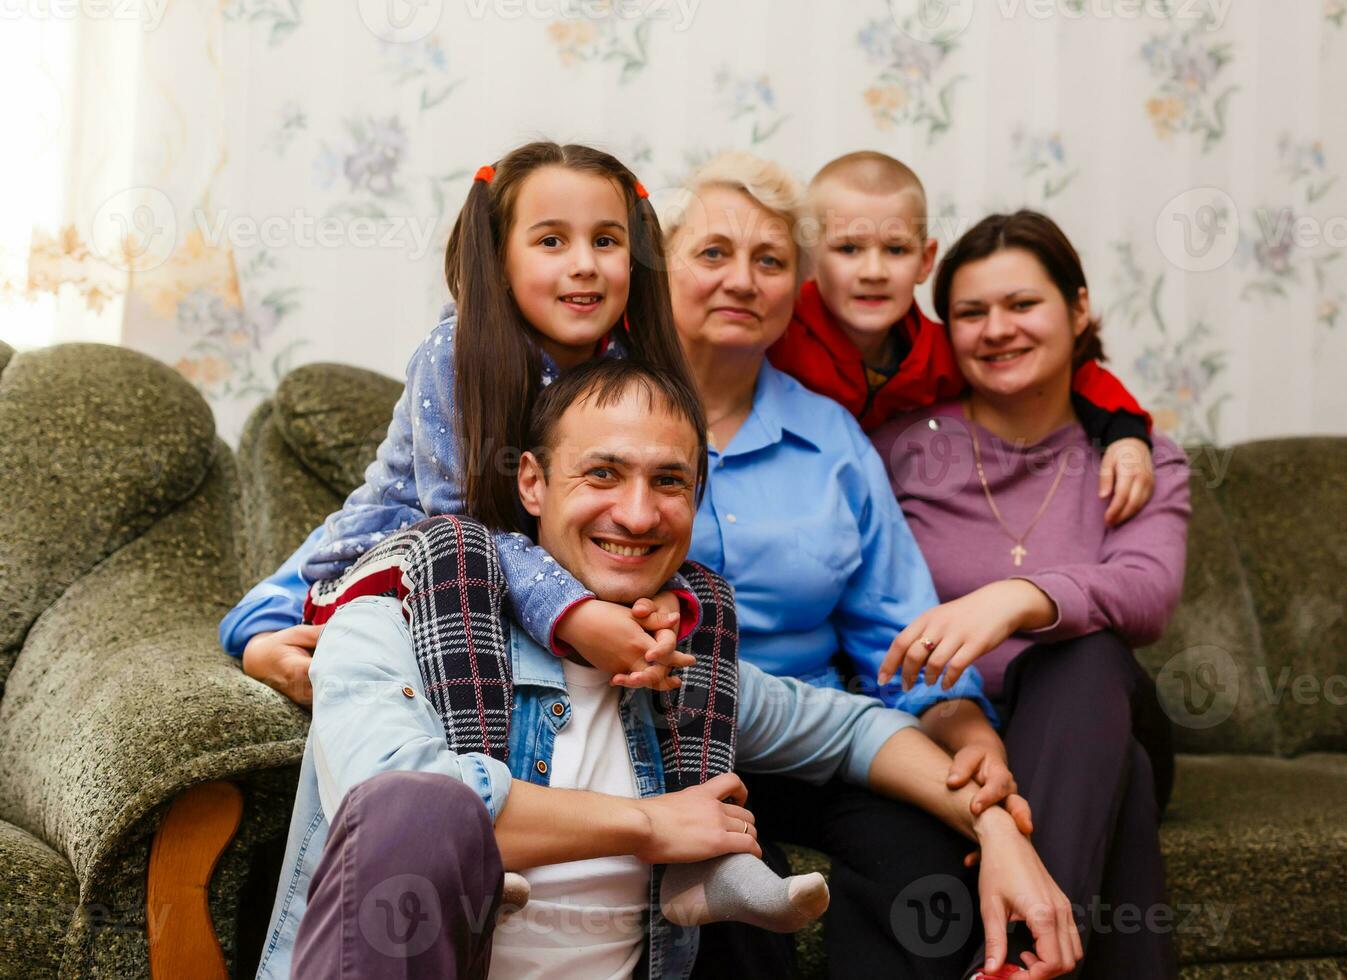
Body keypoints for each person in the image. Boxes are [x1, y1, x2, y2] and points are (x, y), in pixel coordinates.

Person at [263, 358, 1081, 980]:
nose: (638, 513)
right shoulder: (395, 619)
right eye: (603, 474)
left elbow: (854, 732)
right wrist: (654, 827)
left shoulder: (685, 669)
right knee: (418, 809)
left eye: (669, 483)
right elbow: (399, 797)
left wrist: (998, 829)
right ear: (533, 483)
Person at [222, 141, 812, 937]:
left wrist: (662, 602)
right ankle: (474, 846)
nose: (585, 266)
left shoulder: (625, 368)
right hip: (394, 565)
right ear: (496, 260)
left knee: (706, 590)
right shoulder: (455, 351)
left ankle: (703, 859)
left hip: (490, 575)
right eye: (551, 241)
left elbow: (630, 523)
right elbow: (457, 523)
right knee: (461, 551)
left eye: (607, 242)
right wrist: (573, 615)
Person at [657, 151, 1027, 978]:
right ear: (662, 268)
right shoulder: (606, 416)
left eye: (771, 261)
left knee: (929, 875)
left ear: (799, 287)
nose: (743, 280)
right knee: (733, 916)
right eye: (713, 253)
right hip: (667, 742)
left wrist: (968, 738)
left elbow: (898, 632)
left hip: (819, 736)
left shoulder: (831, 438)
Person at [872, 210, 1192, 978]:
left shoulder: (1138, 460)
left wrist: (1019, 598)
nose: (996, 329)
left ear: (1078, 311)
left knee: (1081, 655)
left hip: (1099, 708)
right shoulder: (902, 448)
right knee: (1131, 789)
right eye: (971, 313)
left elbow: (1147, 595)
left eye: (1023, 305)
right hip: (948, 731)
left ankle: (1018, 948)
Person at [766, 150, 1156, 527]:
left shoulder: (940, 352)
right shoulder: (776, 333)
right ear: (811, 259)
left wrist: (1126, 436)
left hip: (875, 517)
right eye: (849, 248)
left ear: (925, 260)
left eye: (896, 249)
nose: (874, 271)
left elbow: (1068, 372)